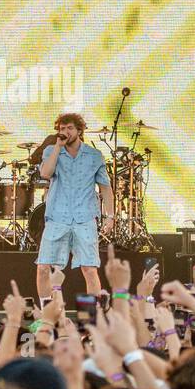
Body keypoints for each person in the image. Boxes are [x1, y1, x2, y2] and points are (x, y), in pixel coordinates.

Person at [34, 113, 113, 301]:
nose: (65, 132)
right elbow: (45, 173)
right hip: (57, 217)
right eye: (62, 129)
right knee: (44, 268)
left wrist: (110, 216)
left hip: (84, 218)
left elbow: (105, 188)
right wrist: (57, 148)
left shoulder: (94, 156)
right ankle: (47, 315)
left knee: (89, 269)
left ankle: (93, 319)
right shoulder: (50, 151)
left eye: (69, 128)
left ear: (79, 130)